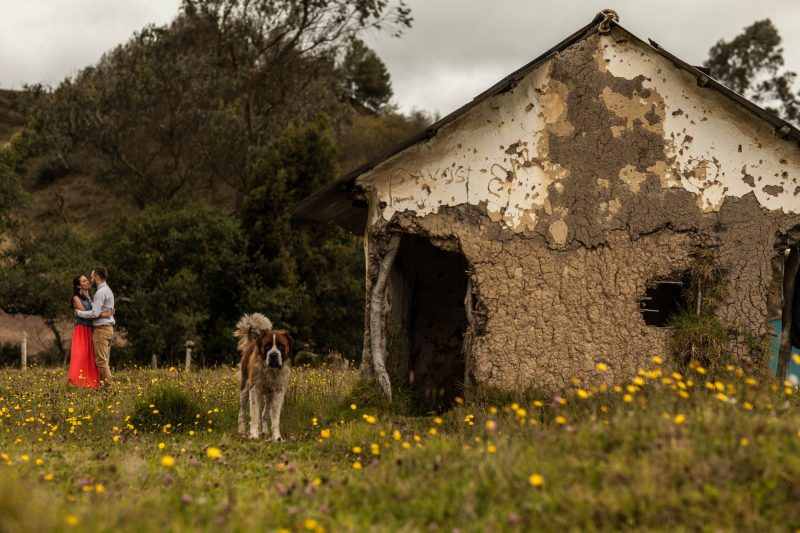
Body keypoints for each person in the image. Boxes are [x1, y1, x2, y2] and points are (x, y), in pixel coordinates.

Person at [75, 266, 115, 392]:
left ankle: (108, 388)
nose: (91, 279)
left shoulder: (100, 292)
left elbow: (94, 313)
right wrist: (103, 313)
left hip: (102, 330)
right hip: (106, 329)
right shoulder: (106, 290)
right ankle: (103, 386)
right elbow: (100, 312)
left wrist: (79, 313)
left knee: (101, 361)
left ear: (97, 277)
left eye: (91, 277)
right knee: (102, 359)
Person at [67, 275, 100, 388]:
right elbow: (85, 314)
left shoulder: (93, 296)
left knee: (91, 355)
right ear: (78, 285)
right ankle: (77, 382)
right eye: (84, 281)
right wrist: (100, 315)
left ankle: (92, 381)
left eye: (87, 280)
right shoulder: (76, 298)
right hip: (82, 329)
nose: (87, 282)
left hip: (92, 329)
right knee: (80, 355)